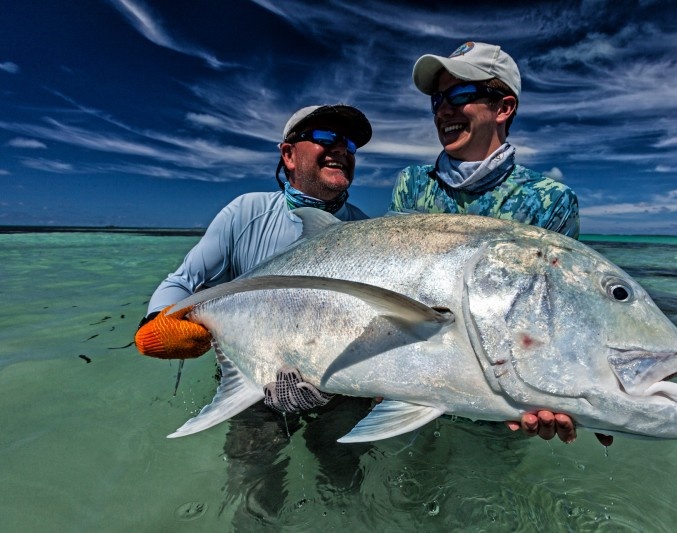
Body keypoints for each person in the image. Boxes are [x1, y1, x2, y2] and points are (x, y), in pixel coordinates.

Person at [390, 41, 611, 446]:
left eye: (460, 94)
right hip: (416, 393)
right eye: (438, 99)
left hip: (498, 413)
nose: (442, 109)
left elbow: (553, 319)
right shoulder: (412, 185)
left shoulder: (551, 201)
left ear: (504, 107)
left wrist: (588, 399)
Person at [135, 103, 371, 364]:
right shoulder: (245, 213)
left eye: (349, 144)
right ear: (289, 155)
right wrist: (157, 323)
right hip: (250, 377)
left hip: (339, 381)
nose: (341, 148)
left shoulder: (365, 230)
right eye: (324, 137)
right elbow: (182, 283)